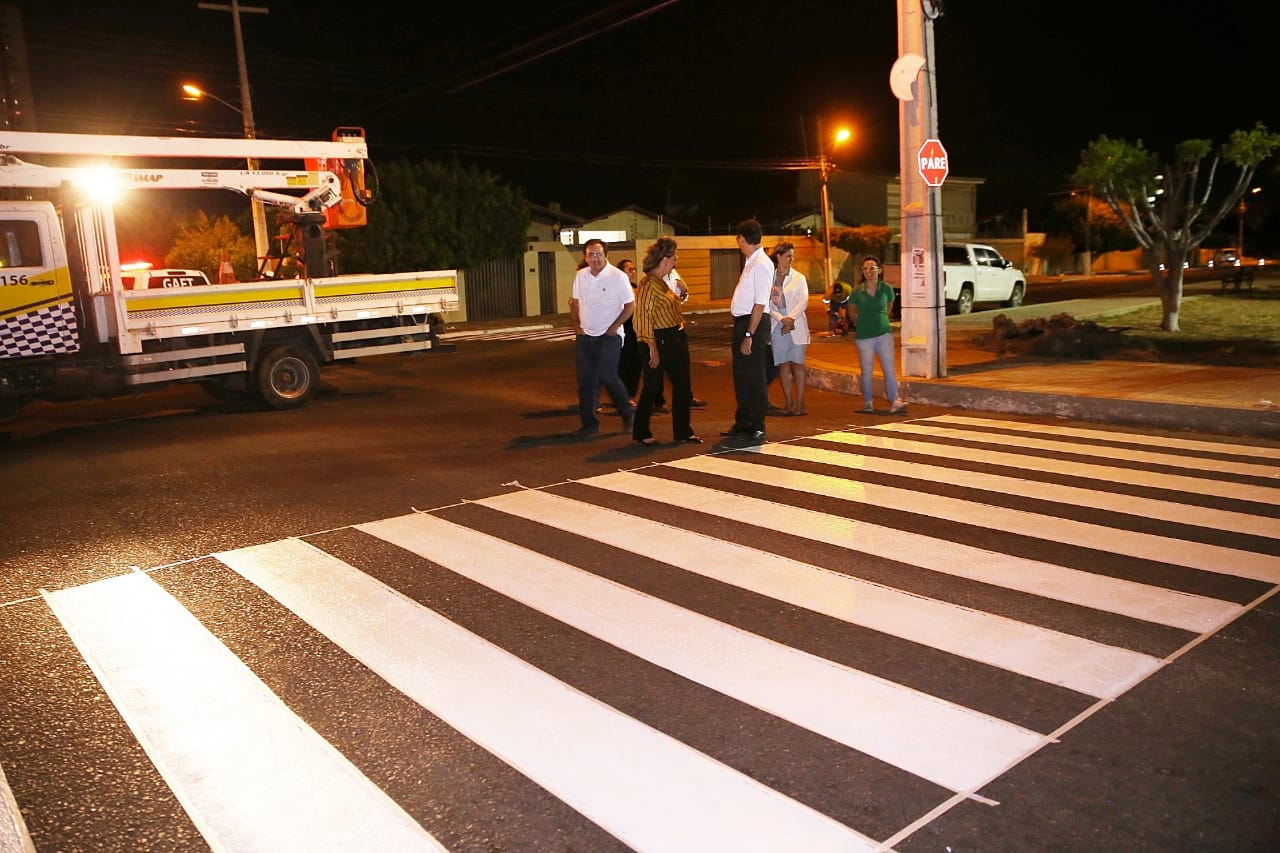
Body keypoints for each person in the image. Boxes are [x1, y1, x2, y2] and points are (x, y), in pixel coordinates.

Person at [631, 236, 701, 446]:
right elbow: (642, 318)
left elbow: (668, 305)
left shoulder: (662, 282)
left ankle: (683, 431)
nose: (676, 261)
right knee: (652, 386)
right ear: (665, 260)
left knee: (682, 386)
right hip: (659, 339)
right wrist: (651, 347)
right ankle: (641, 431)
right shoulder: (648, 286)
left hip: (675, 336)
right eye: (674, 257)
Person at [569, 240, 636, 435]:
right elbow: (574, 303)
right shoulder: (581, 276)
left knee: (608, 375)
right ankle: (589, 424)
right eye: (591, 255)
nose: (595, 258)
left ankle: (628, 411)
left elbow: (630, 305)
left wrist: (614, 328)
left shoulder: (618, 277)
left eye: (598, 254)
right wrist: (577, 327)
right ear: (585, 257)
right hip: (586, 336)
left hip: (609, 337)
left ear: (606, 255)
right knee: (586, 381)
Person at [720, 219, 772, 441]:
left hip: (754, 324)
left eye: (738, 240)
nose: (738, 244)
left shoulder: (761, 263)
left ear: (742, 238)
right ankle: (744, 421)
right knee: (741, 375)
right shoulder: (752, 261)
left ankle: (757, 423)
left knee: (754, 375)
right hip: (744, 322)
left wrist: (749, 334)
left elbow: (760, 303)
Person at [846, 255, 906, 414]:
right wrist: (856, 322)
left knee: (889, 369)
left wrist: (881, 318)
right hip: (864, 337)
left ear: (879, 270)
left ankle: (895, 401)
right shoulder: (857, 291)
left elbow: (889, 307)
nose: (868, 271)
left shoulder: (886, 288)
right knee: (866, 370)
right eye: (865, 269)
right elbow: (851, 309)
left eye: (872, 268)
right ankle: (868, 403)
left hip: (883, 334)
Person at [767, 241, 811, 416]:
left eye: (792, 256)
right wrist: (782, 319)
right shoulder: (770, 279)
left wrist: (790, 319)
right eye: (787, 256)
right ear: (778, 257)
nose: (791, 259)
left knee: (798, 365)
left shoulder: (799, 278)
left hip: (796, 323)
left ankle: (800, 402)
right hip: (778, 324)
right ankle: (789, 402)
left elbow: (804, 300)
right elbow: (768, 303)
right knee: (783, 366)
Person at [616, 258, 643, 401]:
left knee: (636, 362)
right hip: (623, 328)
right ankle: (623, 396)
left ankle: (630, 394)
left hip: (635, 328)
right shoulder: (617, 287)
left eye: (633, 269)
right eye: (629, 269)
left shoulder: (634, 286)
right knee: (625, 363)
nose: (632, 272)